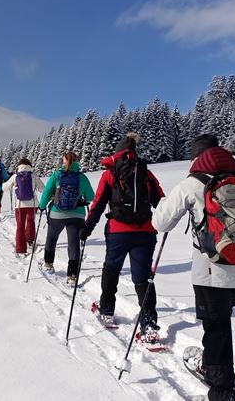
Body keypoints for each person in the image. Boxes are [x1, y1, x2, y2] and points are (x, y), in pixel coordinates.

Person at [151, 134, 235, 401]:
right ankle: (214, 362)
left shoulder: (191, 183)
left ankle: (220, 386)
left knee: (217, 323)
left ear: (195, 158)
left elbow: (160, 223)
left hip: (213, 269)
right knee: (221, 316)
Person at [82, 132, 166, 337]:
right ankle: (149, 323)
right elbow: (162, 202)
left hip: (118, 231)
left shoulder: (110, 173)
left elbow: (98, 204)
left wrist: (86, 229)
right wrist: (167, 222)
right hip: (146, 232)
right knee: (143, 276)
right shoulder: (146, 172)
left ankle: (107, 311)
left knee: (111, 269)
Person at [37, 151, 94, 284]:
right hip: (77, 215)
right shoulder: (82, 177)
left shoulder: (57, 174)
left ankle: (49, 264)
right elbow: (91, 197)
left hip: (57, 213)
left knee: (52, 237)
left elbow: (46, 193)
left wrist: (41, 206)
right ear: (76, 161)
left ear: (64, 161)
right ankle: (72, 276)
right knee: (73, 244)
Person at [2, 158, 45, 255]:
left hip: (20, 205)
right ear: (30, 166)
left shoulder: (15, 176)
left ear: (19, 166)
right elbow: (42, 189)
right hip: (33, 205)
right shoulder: (34, 176)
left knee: (20, 226)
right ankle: (30, 240)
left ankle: (20, 249)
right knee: (31, 221)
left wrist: (5, 182)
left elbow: (4, 188)